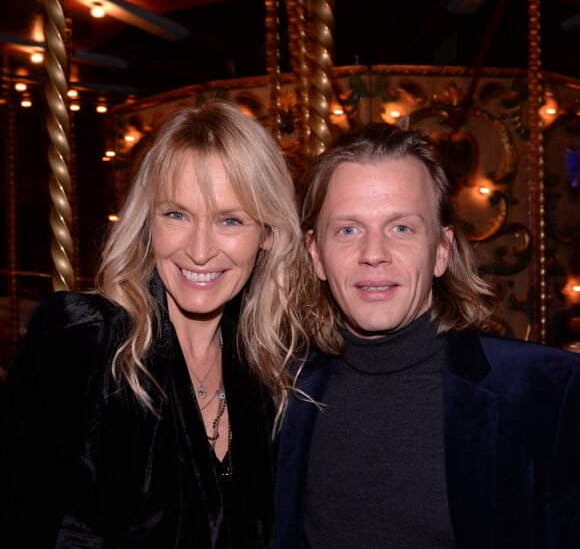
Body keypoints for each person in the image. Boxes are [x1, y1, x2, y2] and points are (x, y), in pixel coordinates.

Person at [0, 99, 305, 548]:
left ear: (268, 235)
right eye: (176, 214)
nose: (200, 250)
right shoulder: (83, 338)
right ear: (148, 221)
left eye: (230, 220)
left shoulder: (271, 374)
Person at [274, 122, 580, 549]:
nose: (374, 254)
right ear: (316, 255)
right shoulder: (281, 394)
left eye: (401, 228)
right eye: (348, 229)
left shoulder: (549, 391)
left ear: (441, 249)